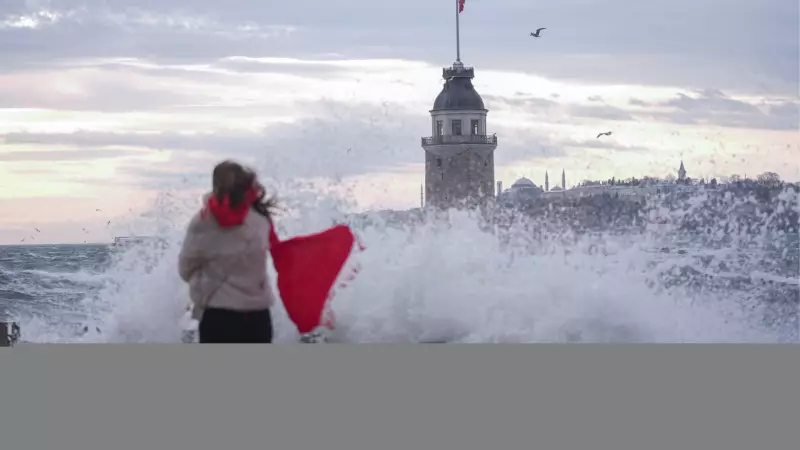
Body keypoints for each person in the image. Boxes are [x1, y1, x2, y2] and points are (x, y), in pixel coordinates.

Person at [178, 160, 279, 343]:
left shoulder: (203, 221)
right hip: (259, 318)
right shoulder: (261, 219)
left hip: (219, 317)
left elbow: (185, 269)